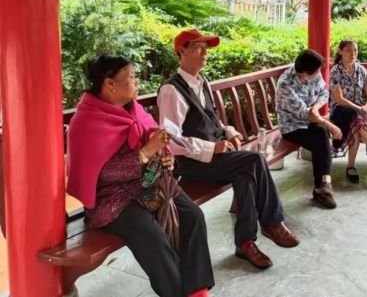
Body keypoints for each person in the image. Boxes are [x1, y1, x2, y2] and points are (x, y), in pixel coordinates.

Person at [67, 56, 213, 297]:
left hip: (150, 185)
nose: (137, 82)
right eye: (132, 77)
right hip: (112, 199)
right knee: (150, 234)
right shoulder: (85, 122)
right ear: (110, 84)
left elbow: (153, 135)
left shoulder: (133, 109)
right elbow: (100, 174)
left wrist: (164, 156)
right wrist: (145, 153)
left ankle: (198, 291)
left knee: (192, 216)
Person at [157, 29, 299, 270]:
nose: (204, 53)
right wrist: (213, 147)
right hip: (190, 164)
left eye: (206, 49)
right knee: (254, 160)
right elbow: (171, 140)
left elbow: (213, 120)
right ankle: (272, 222)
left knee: (246, 175)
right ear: (181, 51)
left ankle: (245, 243)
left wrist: (229, 131)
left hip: (214, 158)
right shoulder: (172, 90)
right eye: (198, 48)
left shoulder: (202, 83)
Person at [276, 49, 342, 208]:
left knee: (321, 133)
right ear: (304, 72)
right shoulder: (285, 84)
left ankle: (323, 186)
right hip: (291, 126)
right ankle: (324, 186)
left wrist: (316, 107)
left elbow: (324, 92)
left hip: (311, 120)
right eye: (317, 71)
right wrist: (328, 124)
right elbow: (304, 113)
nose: (319, 73)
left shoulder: (313, 74)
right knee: (322, 133)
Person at [329, 39, 367, 183]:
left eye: (355, 50)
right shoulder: (335, 71)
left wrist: (366, 107)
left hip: (358, 111)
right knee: (356, 116)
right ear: (340, 52)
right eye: (349, 50)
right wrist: (359, 109)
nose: (353, 53)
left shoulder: (361, 70)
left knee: (356, 128)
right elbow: (339, 99)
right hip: (340, 110)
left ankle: (351, 167)